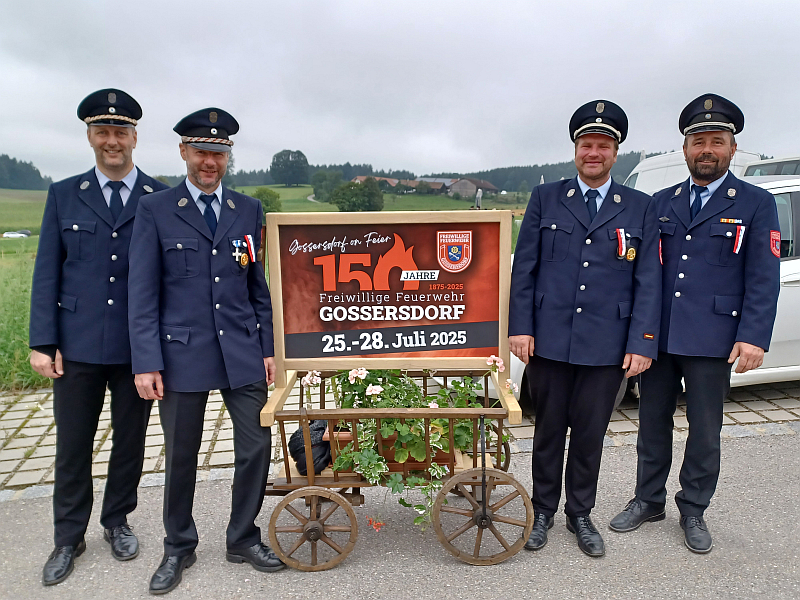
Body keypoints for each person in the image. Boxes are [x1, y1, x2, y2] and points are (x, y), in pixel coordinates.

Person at [609, 94, 780, 554]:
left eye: (717, 142)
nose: (707, 149)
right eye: (698, 141)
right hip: (659, 338)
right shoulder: (659, 202)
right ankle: (648, 500)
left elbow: (763, 278)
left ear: (732, 148)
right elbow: (643, 274)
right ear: (685, 150)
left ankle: (694, 508)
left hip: (714, 339)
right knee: (651, 424)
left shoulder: (756, 204)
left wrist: (752, 336)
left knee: (705, 430)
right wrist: (636, 333)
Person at [128, 107, 284, 595]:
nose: (210, 161)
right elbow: (143, 292)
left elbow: (258, 286)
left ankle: (242, 537)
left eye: (219, 152)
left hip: (241, 351)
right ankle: (178, 546)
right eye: (201, 151)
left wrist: (269, 348)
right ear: (183, 152)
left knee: (256, 446)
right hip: (182, 354)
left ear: (228, 155)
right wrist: (146, 361)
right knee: (180, 455)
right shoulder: (156, 209)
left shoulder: (247, 210)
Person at [509, 100, 661, 557]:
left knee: (590, 434)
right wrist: (520, 327)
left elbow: (648, 281)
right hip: (550, 339)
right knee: (549, 430)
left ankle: (580, 514)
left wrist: (642, 342)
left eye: (603, 146)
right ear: (576, 149)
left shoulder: (640, 206)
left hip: (607, 344)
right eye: (586, 145)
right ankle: (542, 512)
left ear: (616, 153)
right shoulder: (546, 198)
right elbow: (526, 270)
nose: (593, 153)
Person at [29, 88, 168, 586]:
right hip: (77, 345)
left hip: (137, 348)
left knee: (129, 443)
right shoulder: (64, 193)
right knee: (72, 445)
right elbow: (48, 271)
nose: (113, 141)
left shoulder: (159, 198)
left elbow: (169, 277)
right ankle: (68, 536)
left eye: (121, 132)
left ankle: (117, 521)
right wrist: (42, 341)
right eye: (103, 131)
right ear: (90, 136)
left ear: (135, 137)